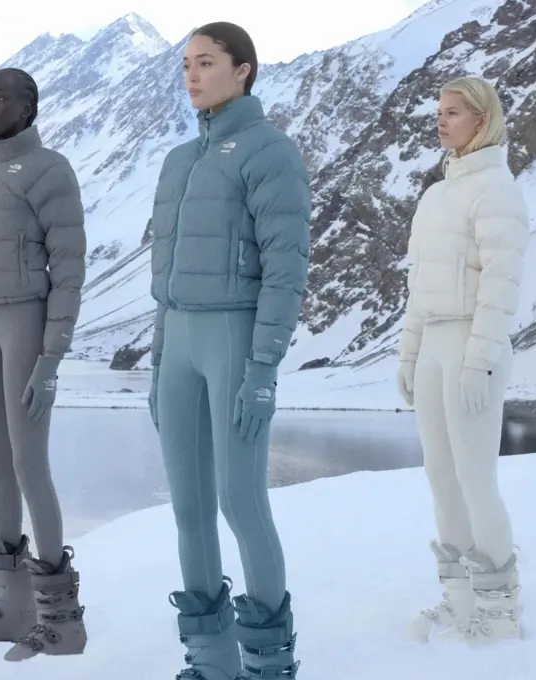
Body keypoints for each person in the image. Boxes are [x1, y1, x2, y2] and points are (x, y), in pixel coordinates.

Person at [148, 22, 310, 680]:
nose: (192, 74)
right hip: (179, 344)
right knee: (188, 508)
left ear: (243, 70)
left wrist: (263, 368)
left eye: (207, 62)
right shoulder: (178, 161)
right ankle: (212, 665)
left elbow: (286, 270)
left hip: (235, 341)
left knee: (241, 502)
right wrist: (158, 364)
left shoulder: (271, 152)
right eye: (187, 63)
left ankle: (268, 667)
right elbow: (165, 280)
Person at [0, 67, 88, 661]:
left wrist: (50, 358)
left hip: (25, 322)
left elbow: (69, 272)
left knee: (30, 463)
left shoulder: (50, 170)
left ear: (28, 107)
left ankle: (61, 621)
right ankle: (12, 609)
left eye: (1, 97)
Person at [396, 76, 529, 644]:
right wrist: (409, 355)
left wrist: (480, 361)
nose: (440, 121)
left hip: (473, 345)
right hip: (433, 346)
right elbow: (418, 286)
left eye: (453, 112)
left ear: (482, 118)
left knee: (476, 478)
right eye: (439, 111)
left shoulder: (497, 190)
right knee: (441, 476)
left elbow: (501, 286)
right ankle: (461, 600)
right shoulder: (435, 196)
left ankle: (500, 612)